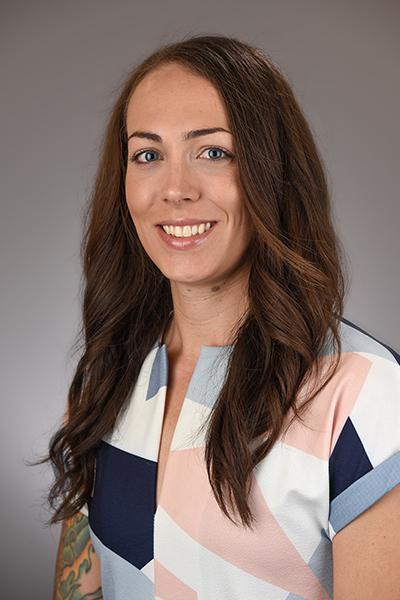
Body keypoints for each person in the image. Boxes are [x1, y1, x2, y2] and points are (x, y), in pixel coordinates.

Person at [43, 35, 400, 599]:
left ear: (271, 172)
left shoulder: (363, 396)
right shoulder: (105, 379)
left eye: (213, 152)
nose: (176, 190)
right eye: (148, 154)